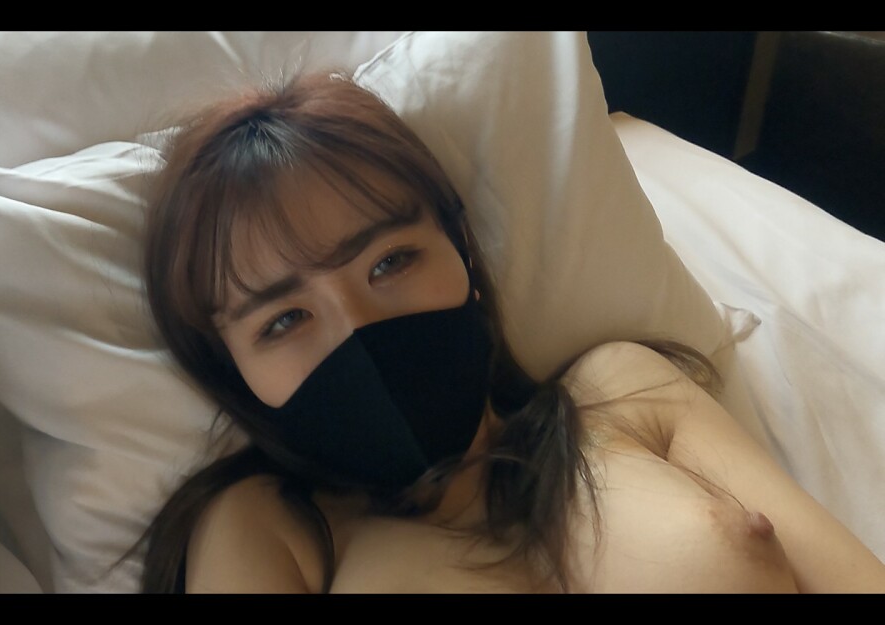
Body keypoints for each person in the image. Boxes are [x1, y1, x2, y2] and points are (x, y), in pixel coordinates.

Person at [132, 73, 885, 593]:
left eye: (390, 261)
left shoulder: (624, 390)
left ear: (461, 250)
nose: (358, 328)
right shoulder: (271, 527)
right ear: (232, 370)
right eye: (284, 319)